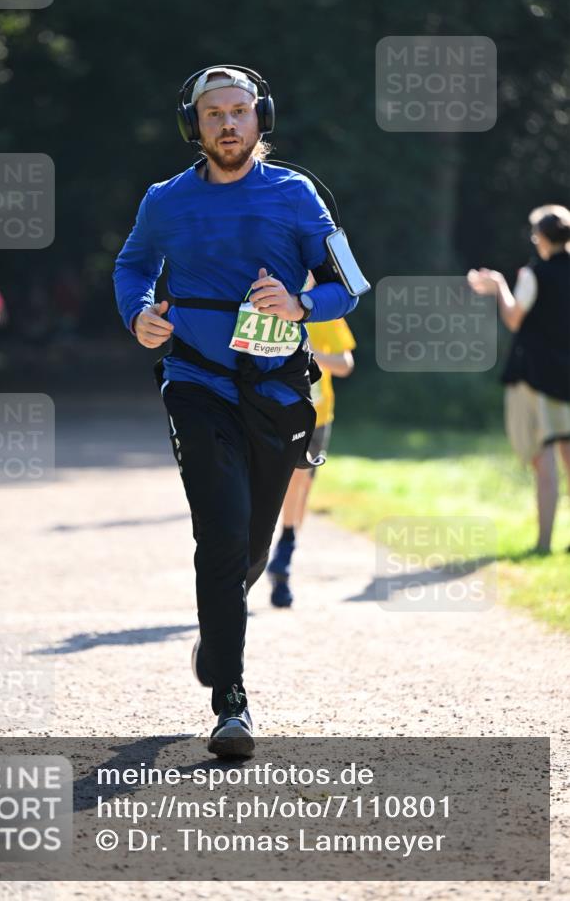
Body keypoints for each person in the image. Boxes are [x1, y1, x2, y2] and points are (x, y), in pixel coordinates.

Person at [113, 65, 360, 756]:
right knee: (220, 533)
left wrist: (303, 304)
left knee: (249, 546)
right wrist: (136, 313)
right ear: (194, 124)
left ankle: (217, 630)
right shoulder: (164, 200)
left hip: (277, 386)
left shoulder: (295, 194)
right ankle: (231, 702)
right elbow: (131, 267)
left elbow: (349, 285)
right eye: (213, 113)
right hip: (194, 380)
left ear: (261, 119)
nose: (227, 123)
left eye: (240, 111)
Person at [467, 204, 570, 554]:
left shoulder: (534, 273)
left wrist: (498, 287)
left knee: (543, 460)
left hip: (537, 375)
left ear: (541, 237)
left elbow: (514, 319)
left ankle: (543, 543)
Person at [267, 314, 356, 607]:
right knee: (292, 479)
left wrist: (310, 355)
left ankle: (285, 550)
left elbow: (345, 365)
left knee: (302, 487)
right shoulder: (269, 306)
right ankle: (277, 552)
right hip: (277, 410)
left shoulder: (326, 311)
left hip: (318, 415)